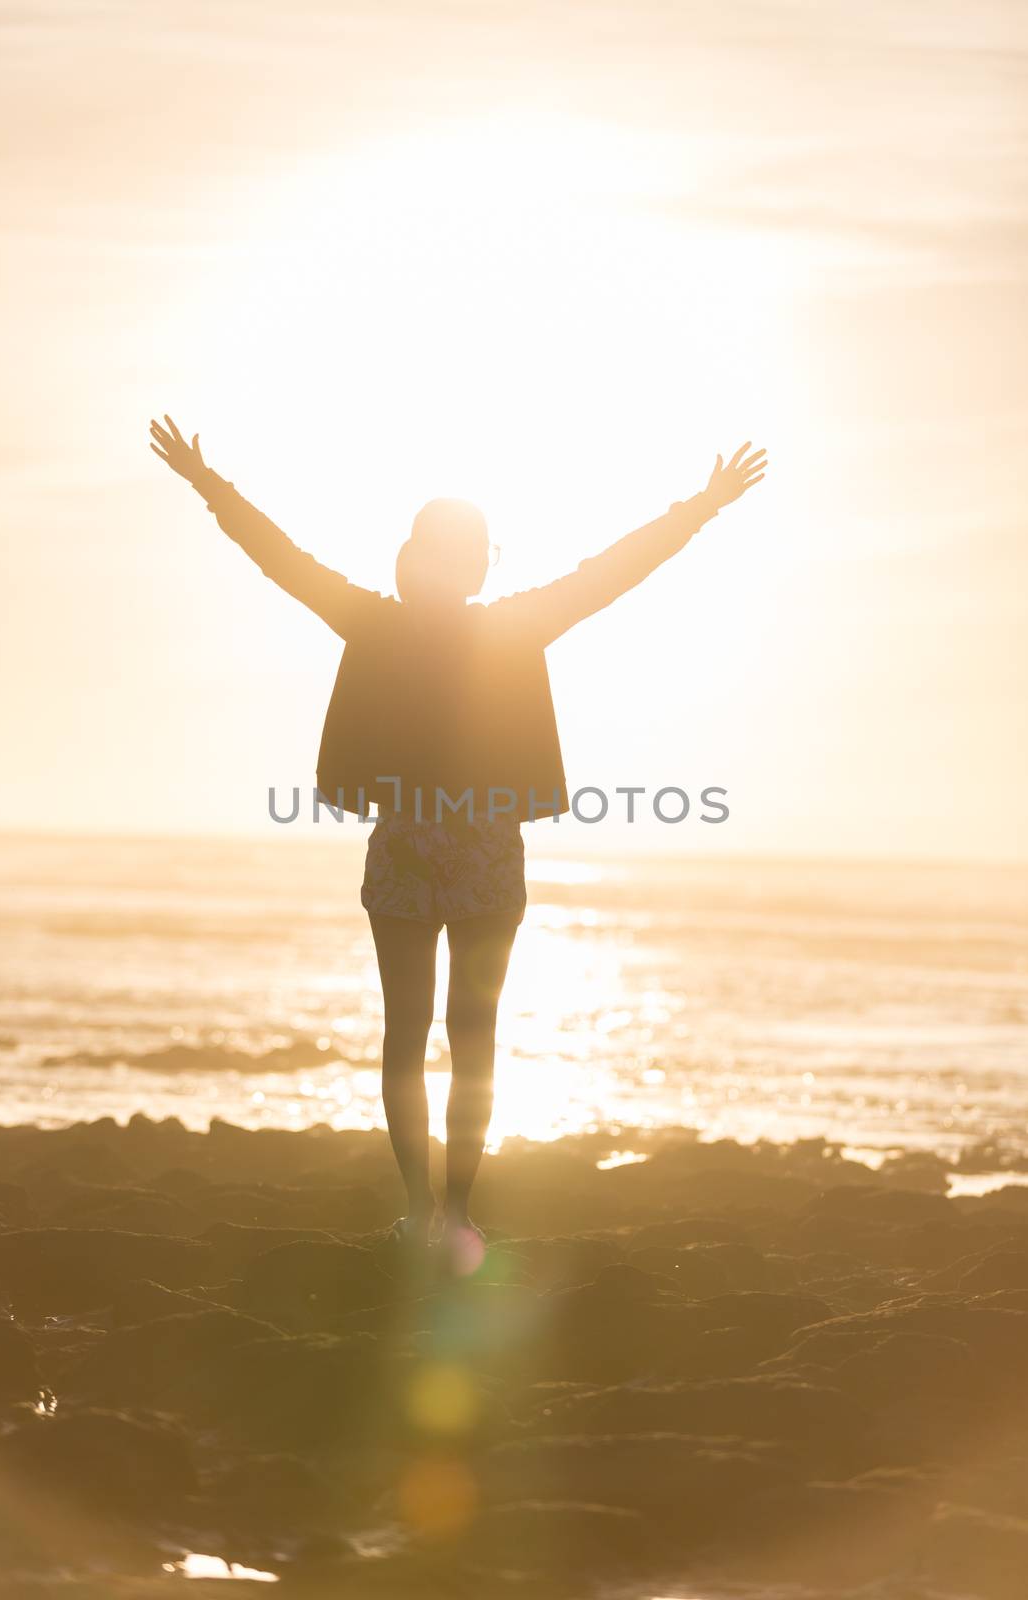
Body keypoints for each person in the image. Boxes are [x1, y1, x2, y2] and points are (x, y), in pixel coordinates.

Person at [149, 415, 766, 1255]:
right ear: (469, 564)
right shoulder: (504, 624)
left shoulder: (379, 621)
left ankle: (423, 1210)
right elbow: (613, 572)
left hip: (412, 848)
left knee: (412, 1032)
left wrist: (205, 481)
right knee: (467, 1037)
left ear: (416, 561)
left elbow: (279, 559)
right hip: (477, 853)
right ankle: (453, 1213)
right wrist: (705, 505)